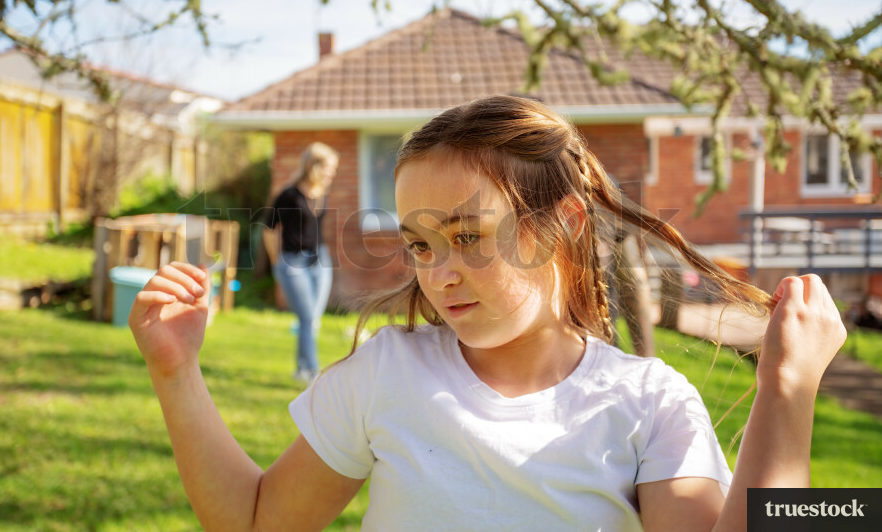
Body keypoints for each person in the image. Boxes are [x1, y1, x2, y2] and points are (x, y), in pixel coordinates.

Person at [128, 95, 846, 532]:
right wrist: (176, 369)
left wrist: (788, 392)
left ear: (562, 223)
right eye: (419, 244)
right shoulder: (387, 374)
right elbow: (255, 521)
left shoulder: (648, 403)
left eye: (468, 237)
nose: (437, 273)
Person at [261, 142, 338, 382]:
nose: (332, 174)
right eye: (328, 168)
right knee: (307, 318)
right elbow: (268, 229)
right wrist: (277, 262)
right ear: (313, 166)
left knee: (312, 319)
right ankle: (313, 372)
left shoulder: (321, 193)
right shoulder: (289, 195)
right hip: (293, 263)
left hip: (320, 260)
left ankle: (300, 369)